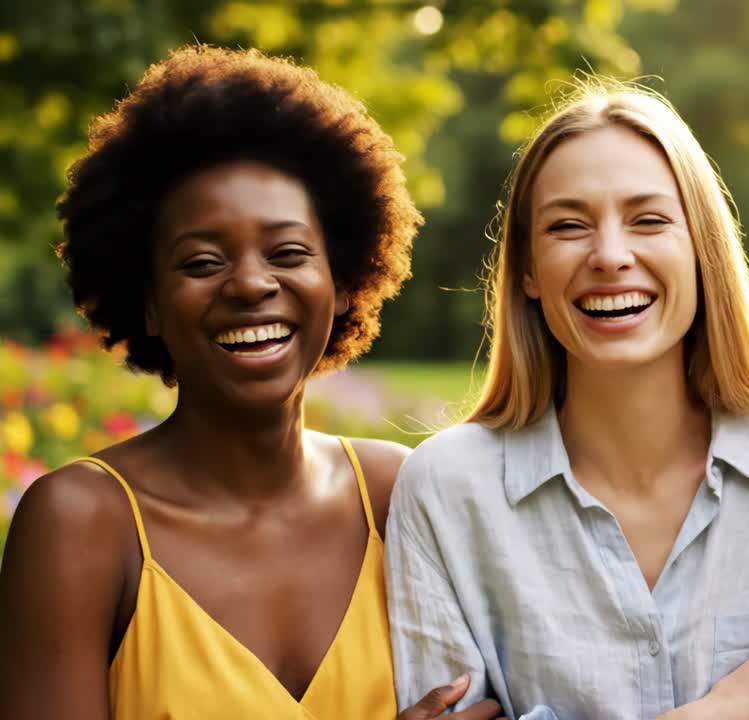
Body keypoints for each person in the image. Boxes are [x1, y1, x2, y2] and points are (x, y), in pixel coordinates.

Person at [0, 45, 501, 720]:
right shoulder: (81, 525)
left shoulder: (396, 494)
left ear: (346, 278)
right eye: (202, 262)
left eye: (288, 253)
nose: (251, 284)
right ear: (148, 300)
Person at [385, 81, 749, 720]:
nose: (609, 256)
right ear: (527, 268)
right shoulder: (448, 489)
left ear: (702, 251)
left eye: (649, 220)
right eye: (568, 226)